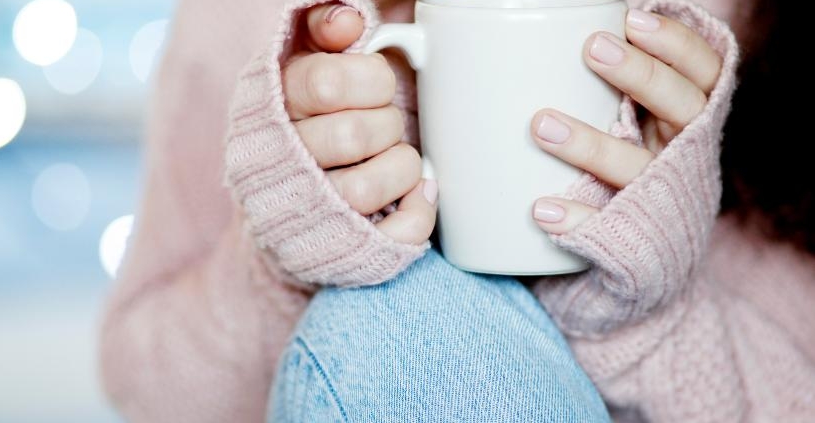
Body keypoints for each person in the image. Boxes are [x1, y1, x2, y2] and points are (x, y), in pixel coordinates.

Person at [100, 0, 814, 421]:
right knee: (404, 315)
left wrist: (652, 315)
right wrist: (278, 263)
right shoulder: (273, 24)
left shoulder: (710, 28)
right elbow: (143, 382)